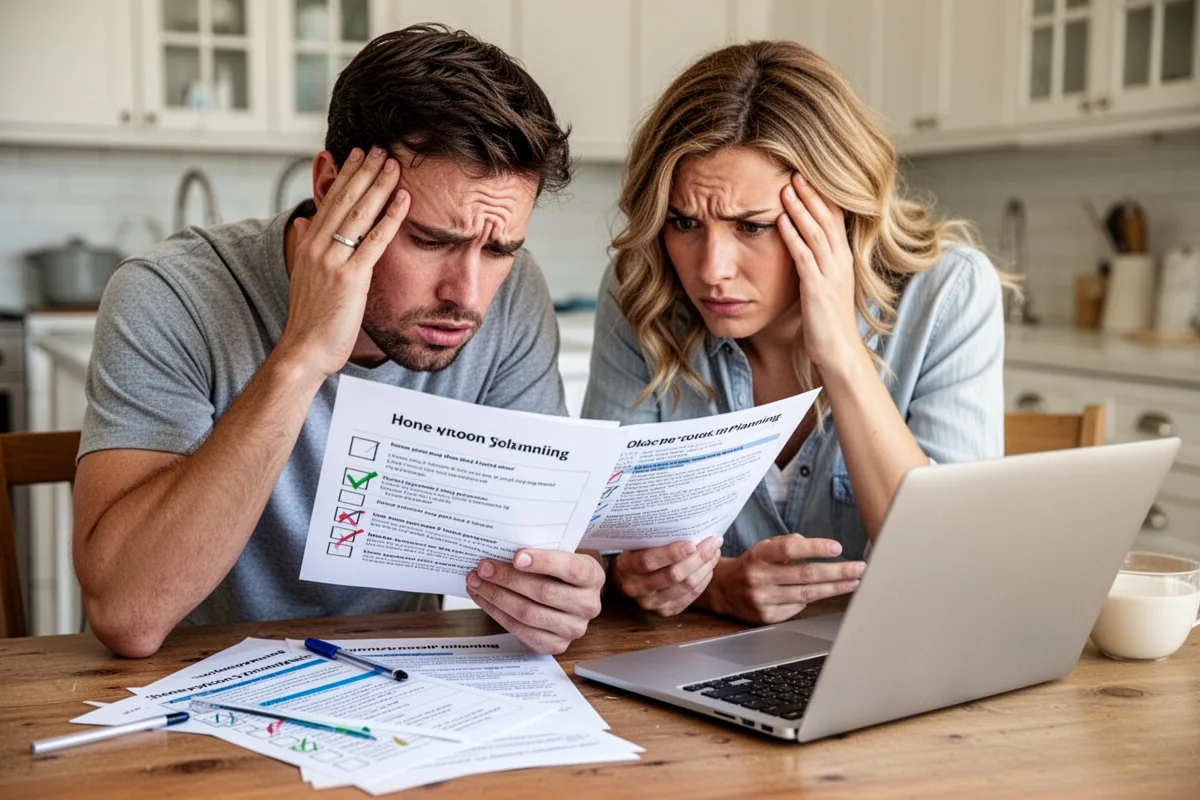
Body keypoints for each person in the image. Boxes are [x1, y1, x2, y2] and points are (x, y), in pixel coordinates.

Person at [73, 24, 604, 658]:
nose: (467, 293)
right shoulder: (169, 295)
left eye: (499, 249)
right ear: (332, 189)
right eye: (431, 241)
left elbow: (546, 539)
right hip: (180, 687)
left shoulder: (513, 300)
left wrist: (558, 592)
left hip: (393, 678)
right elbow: (128, 616)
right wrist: (301, 358)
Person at [583, 41, 1013, 625]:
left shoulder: (947, 295)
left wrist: (838, 349)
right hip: (693, 672)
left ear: (837, 214)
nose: (711, 270)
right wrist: (711, 586)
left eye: (753, 227)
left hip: (898, 666)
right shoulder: (643, 293)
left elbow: (953, 567)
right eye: (685, 222)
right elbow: (599, 551)